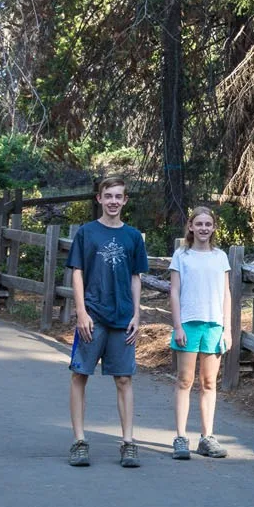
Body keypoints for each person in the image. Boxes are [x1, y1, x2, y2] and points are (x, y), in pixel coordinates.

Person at [67, 175, 149, 468]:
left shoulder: (133, 237)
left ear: (125, 201)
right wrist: (81, 312)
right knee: (80, 375)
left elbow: (135, 277)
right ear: (99, 199)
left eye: (118, 196)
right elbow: (76, 272)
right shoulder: (86, 233)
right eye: (108, 196)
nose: (113, 201)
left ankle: (128, 442)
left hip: (122, 317)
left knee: (124, 378)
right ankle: (79, 441)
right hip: (93, 314)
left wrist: (137, 314)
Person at [168, 206, 232, 460]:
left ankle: (207, 437)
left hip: (214, 324)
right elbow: (174, 291)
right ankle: (181, 437)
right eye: (199, 224)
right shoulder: (182, 256)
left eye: (208, 224)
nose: (204, 228)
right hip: (189, 324)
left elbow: (226, 293)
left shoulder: (220, 257)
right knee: (184, 381)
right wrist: (177, 326)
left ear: (213, 228)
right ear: (191, 227)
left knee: (208, 382)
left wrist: (227, 328)